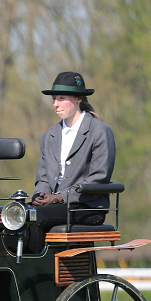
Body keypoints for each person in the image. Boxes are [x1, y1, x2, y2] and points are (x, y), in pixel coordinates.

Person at [28, 71, 115, 250]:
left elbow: (99, 177)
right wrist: (40, 196)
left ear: (78, 99)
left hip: (86, 207)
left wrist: (58, 197)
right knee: (14, 214)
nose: (55, 104)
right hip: (54, 206)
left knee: (33, 218)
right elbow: (43, 178)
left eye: (61, 98)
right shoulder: (49, 135)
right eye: (54, 99)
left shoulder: (99, 131)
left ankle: (39, 274)